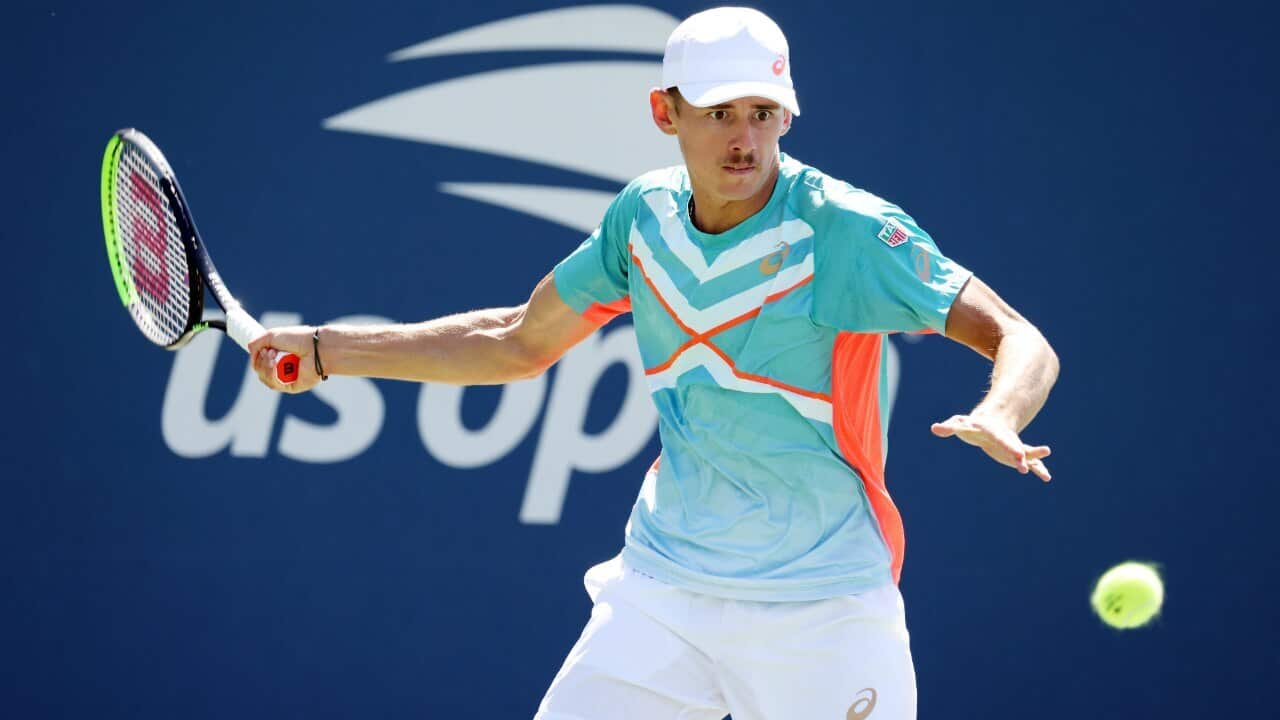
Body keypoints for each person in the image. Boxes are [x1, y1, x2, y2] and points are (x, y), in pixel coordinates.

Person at [250, 7, 1058, 719]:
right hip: (664, 594)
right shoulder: (643, 217)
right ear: (664, 112)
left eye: (763, 112)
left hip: (825, 606)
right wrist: (329, 350)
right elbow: (518, 340)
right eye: (717, 113)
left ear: (786, 115)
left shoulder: (844, 230)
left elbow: (1020, 337)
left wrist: (1000, 412)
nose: (744, 137)